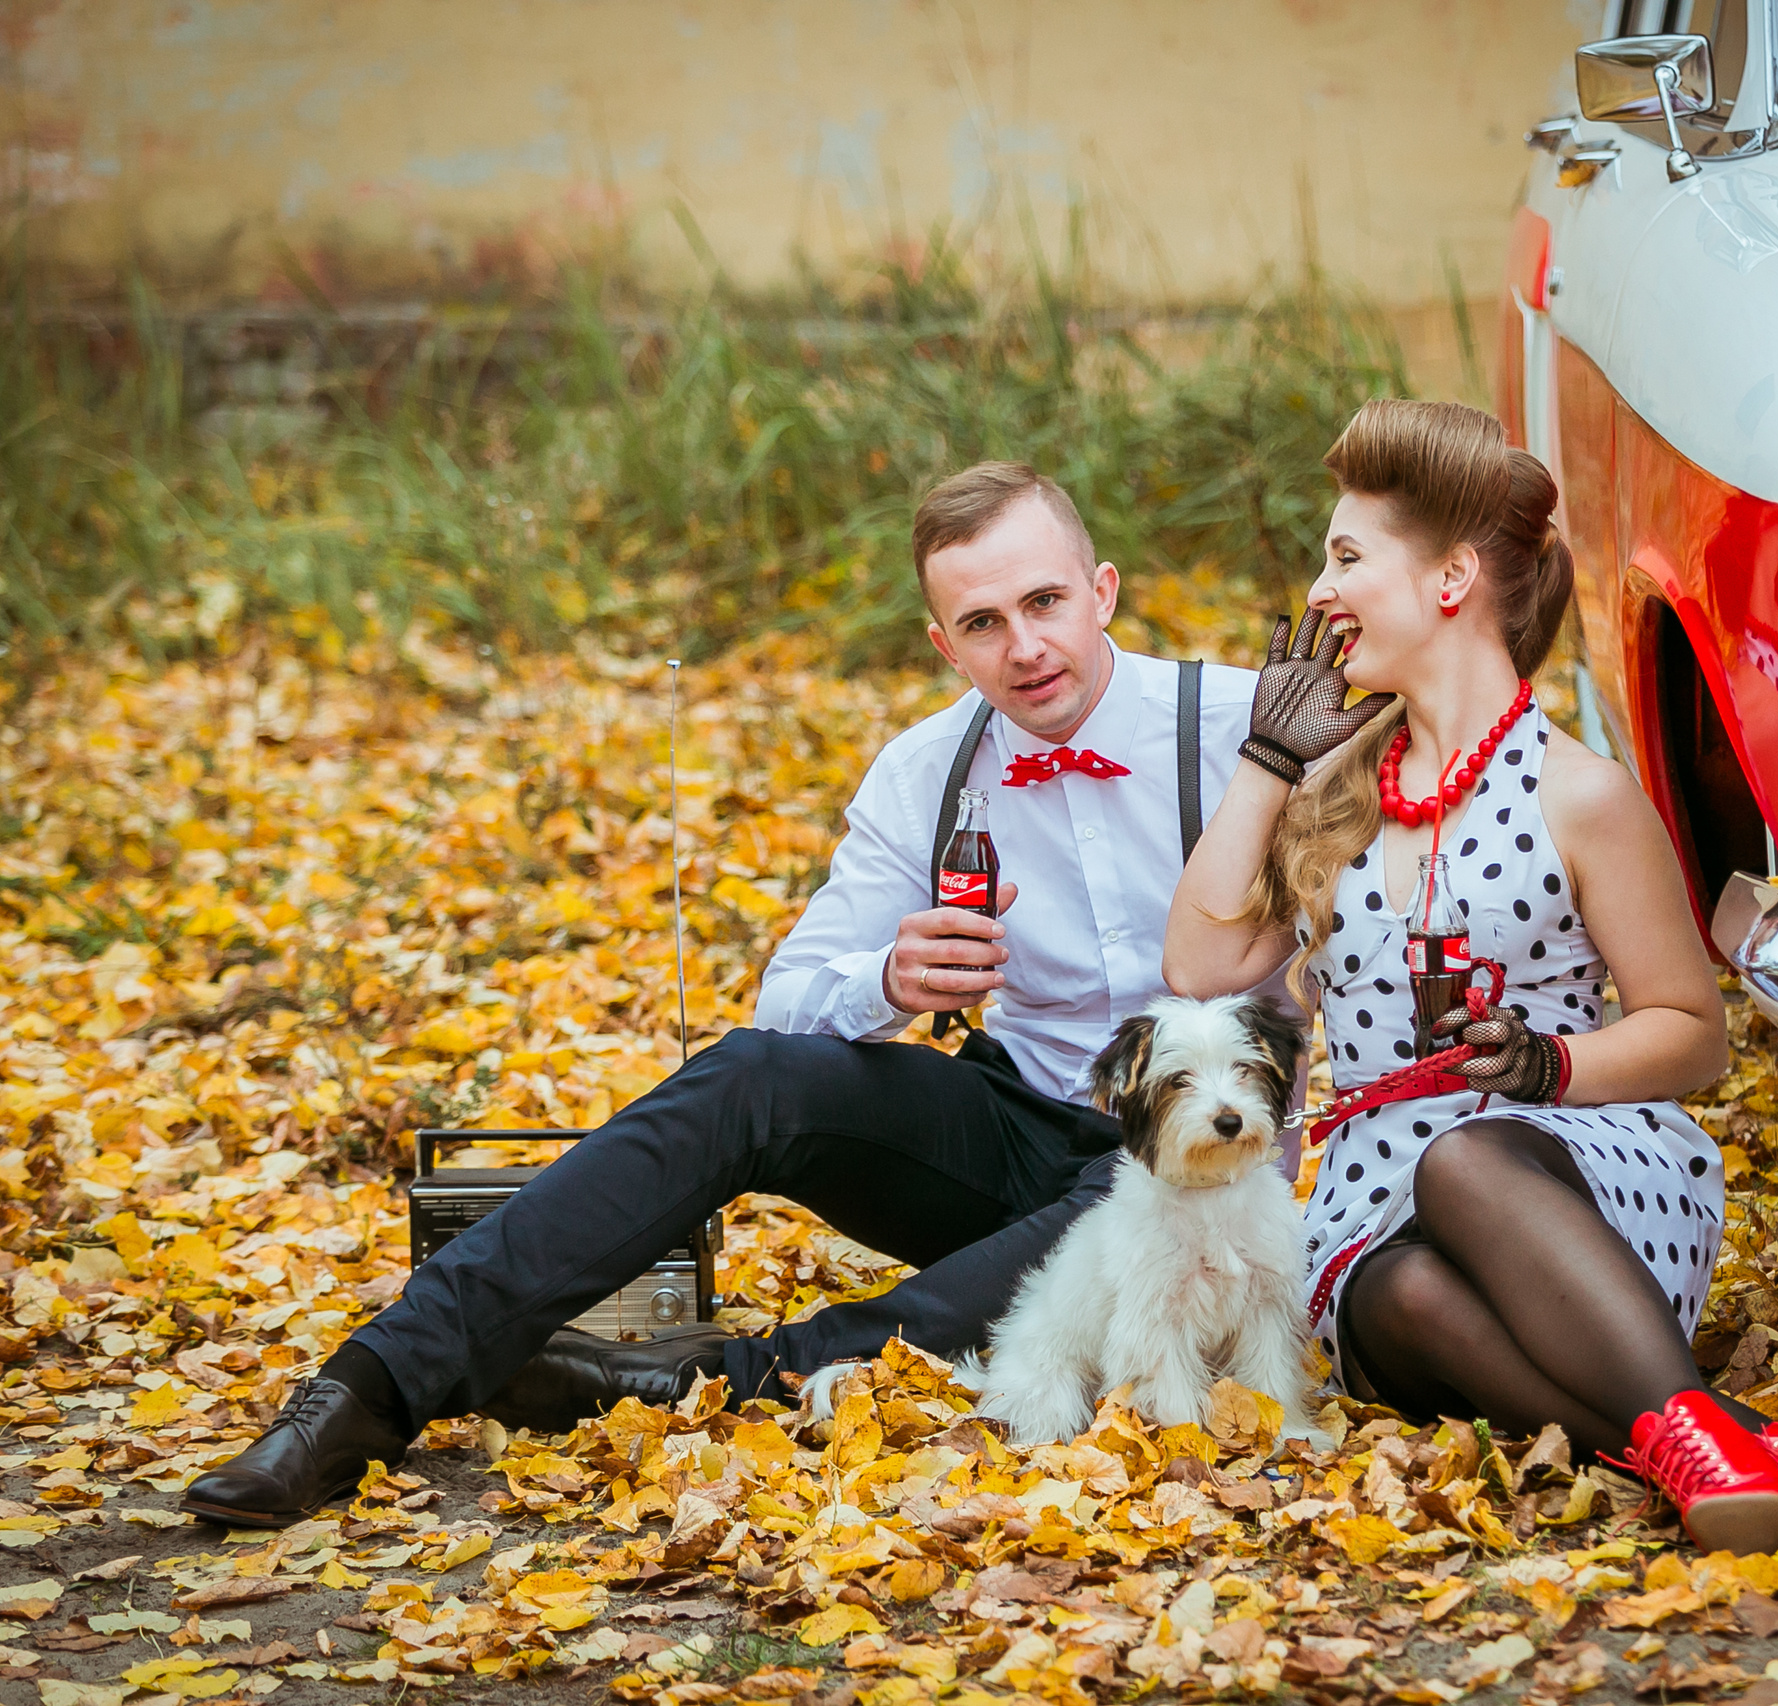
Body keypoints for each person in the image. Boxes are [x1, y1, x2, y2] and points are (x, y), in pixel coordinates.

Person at [183, 463, 1264, 1526]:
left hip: (1211, 1153)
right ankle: (368, 1387)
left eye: (1044, 602)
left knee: (1098, 1223)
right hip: (1015, 1129)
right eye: (982, 622)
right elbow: (784, 997)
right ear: (944, 643)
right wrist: (886, 978)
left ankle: (707, 1380)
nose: (1023, 646)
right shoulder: (925, 771)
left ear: (1103, 590)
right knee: (751, 1078)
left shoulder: (1239, 728)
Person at [1166, 400, 1778, 1554]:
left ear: (1450, 579)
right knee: (1393, 1297)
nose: (1320, 590)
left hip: (1574, 1173)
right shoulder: (1334, 791)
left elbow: (1693, 1033)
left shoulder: (1579, 791)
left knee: (1466, 1154)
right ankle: (1770, 1448)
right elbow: (1198, 966)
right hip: (1373, 1199)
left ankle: (1720, 1446)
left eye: (1347, 558)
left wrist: (1549, 1061)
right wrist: (1266, 761)